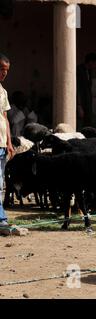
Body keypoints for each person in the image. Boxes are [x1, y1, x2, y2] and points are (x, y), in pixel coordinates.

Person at [0, 53, 15, 227]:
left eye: (6, 70)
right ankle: (1, 219)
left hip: (2, 143)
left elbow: (5, 118)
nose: (4, 73)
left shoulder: (3, 92)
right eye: (1, 69)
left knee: (1, 182)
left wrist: (9, 143)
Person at [77, 52, 96, 129]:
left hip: (87, 103)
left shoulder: (89, 71)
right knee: (80, 123)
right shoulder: (79, 71)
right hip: (81, 103)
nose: (95, 66)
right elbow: (77, 89)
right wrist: (79, 105)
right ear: (90, 62)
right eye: (95, 63)